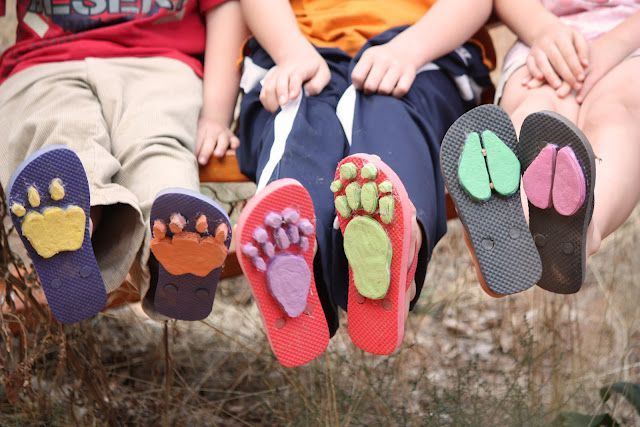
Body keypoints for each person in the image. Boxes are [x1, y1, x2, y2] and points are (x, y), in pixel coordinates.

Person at [232, 0, 496, 365]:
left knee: (392, 119)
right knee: (295, 116)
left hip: (418, 46)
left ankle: (398, 249)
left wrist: (411, 49)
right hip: (301, 47)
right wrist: (291, 51)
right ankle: (300, 269)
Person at [0, 0, 247, 322]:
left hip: (160, 62)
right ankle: (74, 231)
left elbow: (225, 9)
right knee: (58, 137)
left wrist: (216, 116)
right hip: (45, 63)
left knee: (158, 138)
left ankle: (176, 251)